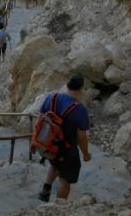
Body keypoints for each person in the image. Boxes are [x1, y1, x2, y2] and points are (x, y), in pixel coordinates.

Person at [37, 73, 92, 203]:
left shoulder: (52, 97)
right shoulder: (79, 110)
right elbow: (81, 138)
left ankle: (46, 190)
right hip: (68, 150)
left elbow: (40, 120)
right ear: (80, 89)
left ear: (67, 85)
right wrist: (85, 154)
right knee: (64, 179)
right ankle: (58, 209)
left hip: (50, 144)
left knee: (55, 164)